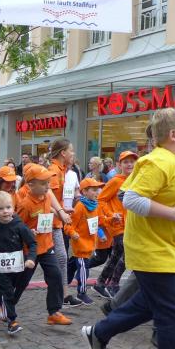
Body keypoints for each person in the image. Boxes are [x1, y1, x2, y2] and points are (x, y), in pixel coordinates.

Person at [82, 108, 175, 349]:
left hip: (169, 246)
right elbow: (131, 199)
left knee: (149, 305)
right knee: (173, 309)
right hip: (150, 249)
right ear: (173, 135)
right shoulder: (156, 161)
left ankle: (99, 332)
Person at [15, 164, 71, 325]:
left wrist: (60, 213)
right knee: (21, 282)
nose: (48, 186)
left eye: (48, 182)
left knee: (55, 276)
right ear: (31, 184)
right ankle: (5, 305)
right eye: (44, 183)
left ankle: (54, 312)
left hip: (47, 246)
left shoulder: (46, 197)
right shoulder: (25, 204)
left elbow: (48, 209)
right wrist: (28, 233)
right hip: (30, 250)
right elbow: (17, 226)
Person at [0, 191, 37, 334]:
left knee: (4, 289)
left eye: (8, 207)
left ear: (13, 208)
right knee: (8, 292)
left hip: (18, 264)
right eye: (1, 209)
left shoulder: (20, 226)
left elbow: (32, 243)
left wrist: (31, 258)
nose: (5, 211)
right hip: (2, 265)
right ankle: (12, 321)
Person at [93, 151, 138, 299]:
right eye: (126, 162)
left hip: (130, 224)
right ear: (119, 165)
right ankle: (113, 284)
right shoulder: (115, 181)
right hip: (117, 224)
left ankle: (100, 283)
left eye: (132, 161)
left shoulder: (136, 180)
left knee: (117, 255)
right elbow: (101, 199)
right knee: (127, 253)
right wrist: (111, 214)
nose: (129, 164)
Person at [47, 139, 82, 307]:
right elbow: (47, 197)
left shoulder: (62, 170)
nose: (73, 154)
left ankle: (64, 294)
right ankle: (4, 294)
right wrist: (60, 212)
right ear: (63, 153)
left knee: (61, 257)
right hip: (46, 222)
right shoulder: (54, 171)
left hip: (55, 222)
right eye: (71, 150)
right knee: (32, 260)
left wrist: (62, 210)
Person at [65, 177, 104, 305]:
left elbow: (96, 223)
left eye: (98, 190)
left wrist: (101, 234)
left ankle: (62, 285)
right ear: (84, 191)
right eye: (94, 190)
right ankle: (81, 293)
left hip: (89, 245)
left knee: (71, 267)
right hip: (80, 246)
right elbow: (68, 226)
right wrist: (73, 233)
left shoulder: (95, 205)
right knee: (83, 269)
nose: (97, 192)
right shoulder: (80, 207)